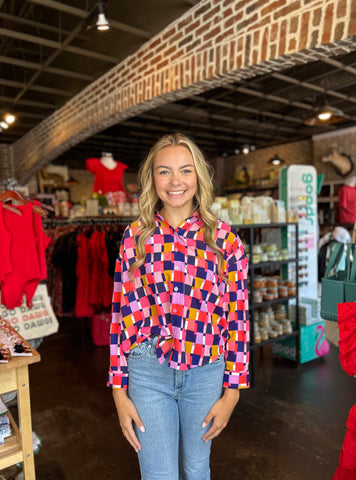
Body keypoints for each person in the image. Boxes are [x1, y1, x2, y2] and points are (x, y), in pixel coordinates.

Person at [107, 133, 249, 480]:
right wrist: (117, 390)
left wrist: (233, 392)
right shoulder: (135, 236)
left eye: (185, 170)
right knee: (157, 474)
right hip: (147, 370)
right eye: (164, 171)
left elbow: (238, 317)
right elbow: (119, 315)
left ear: (198, 175)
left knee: (198, 470)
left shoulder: (224, 240)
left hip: (205, 371)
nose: (175, 182)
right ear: (152, 179)